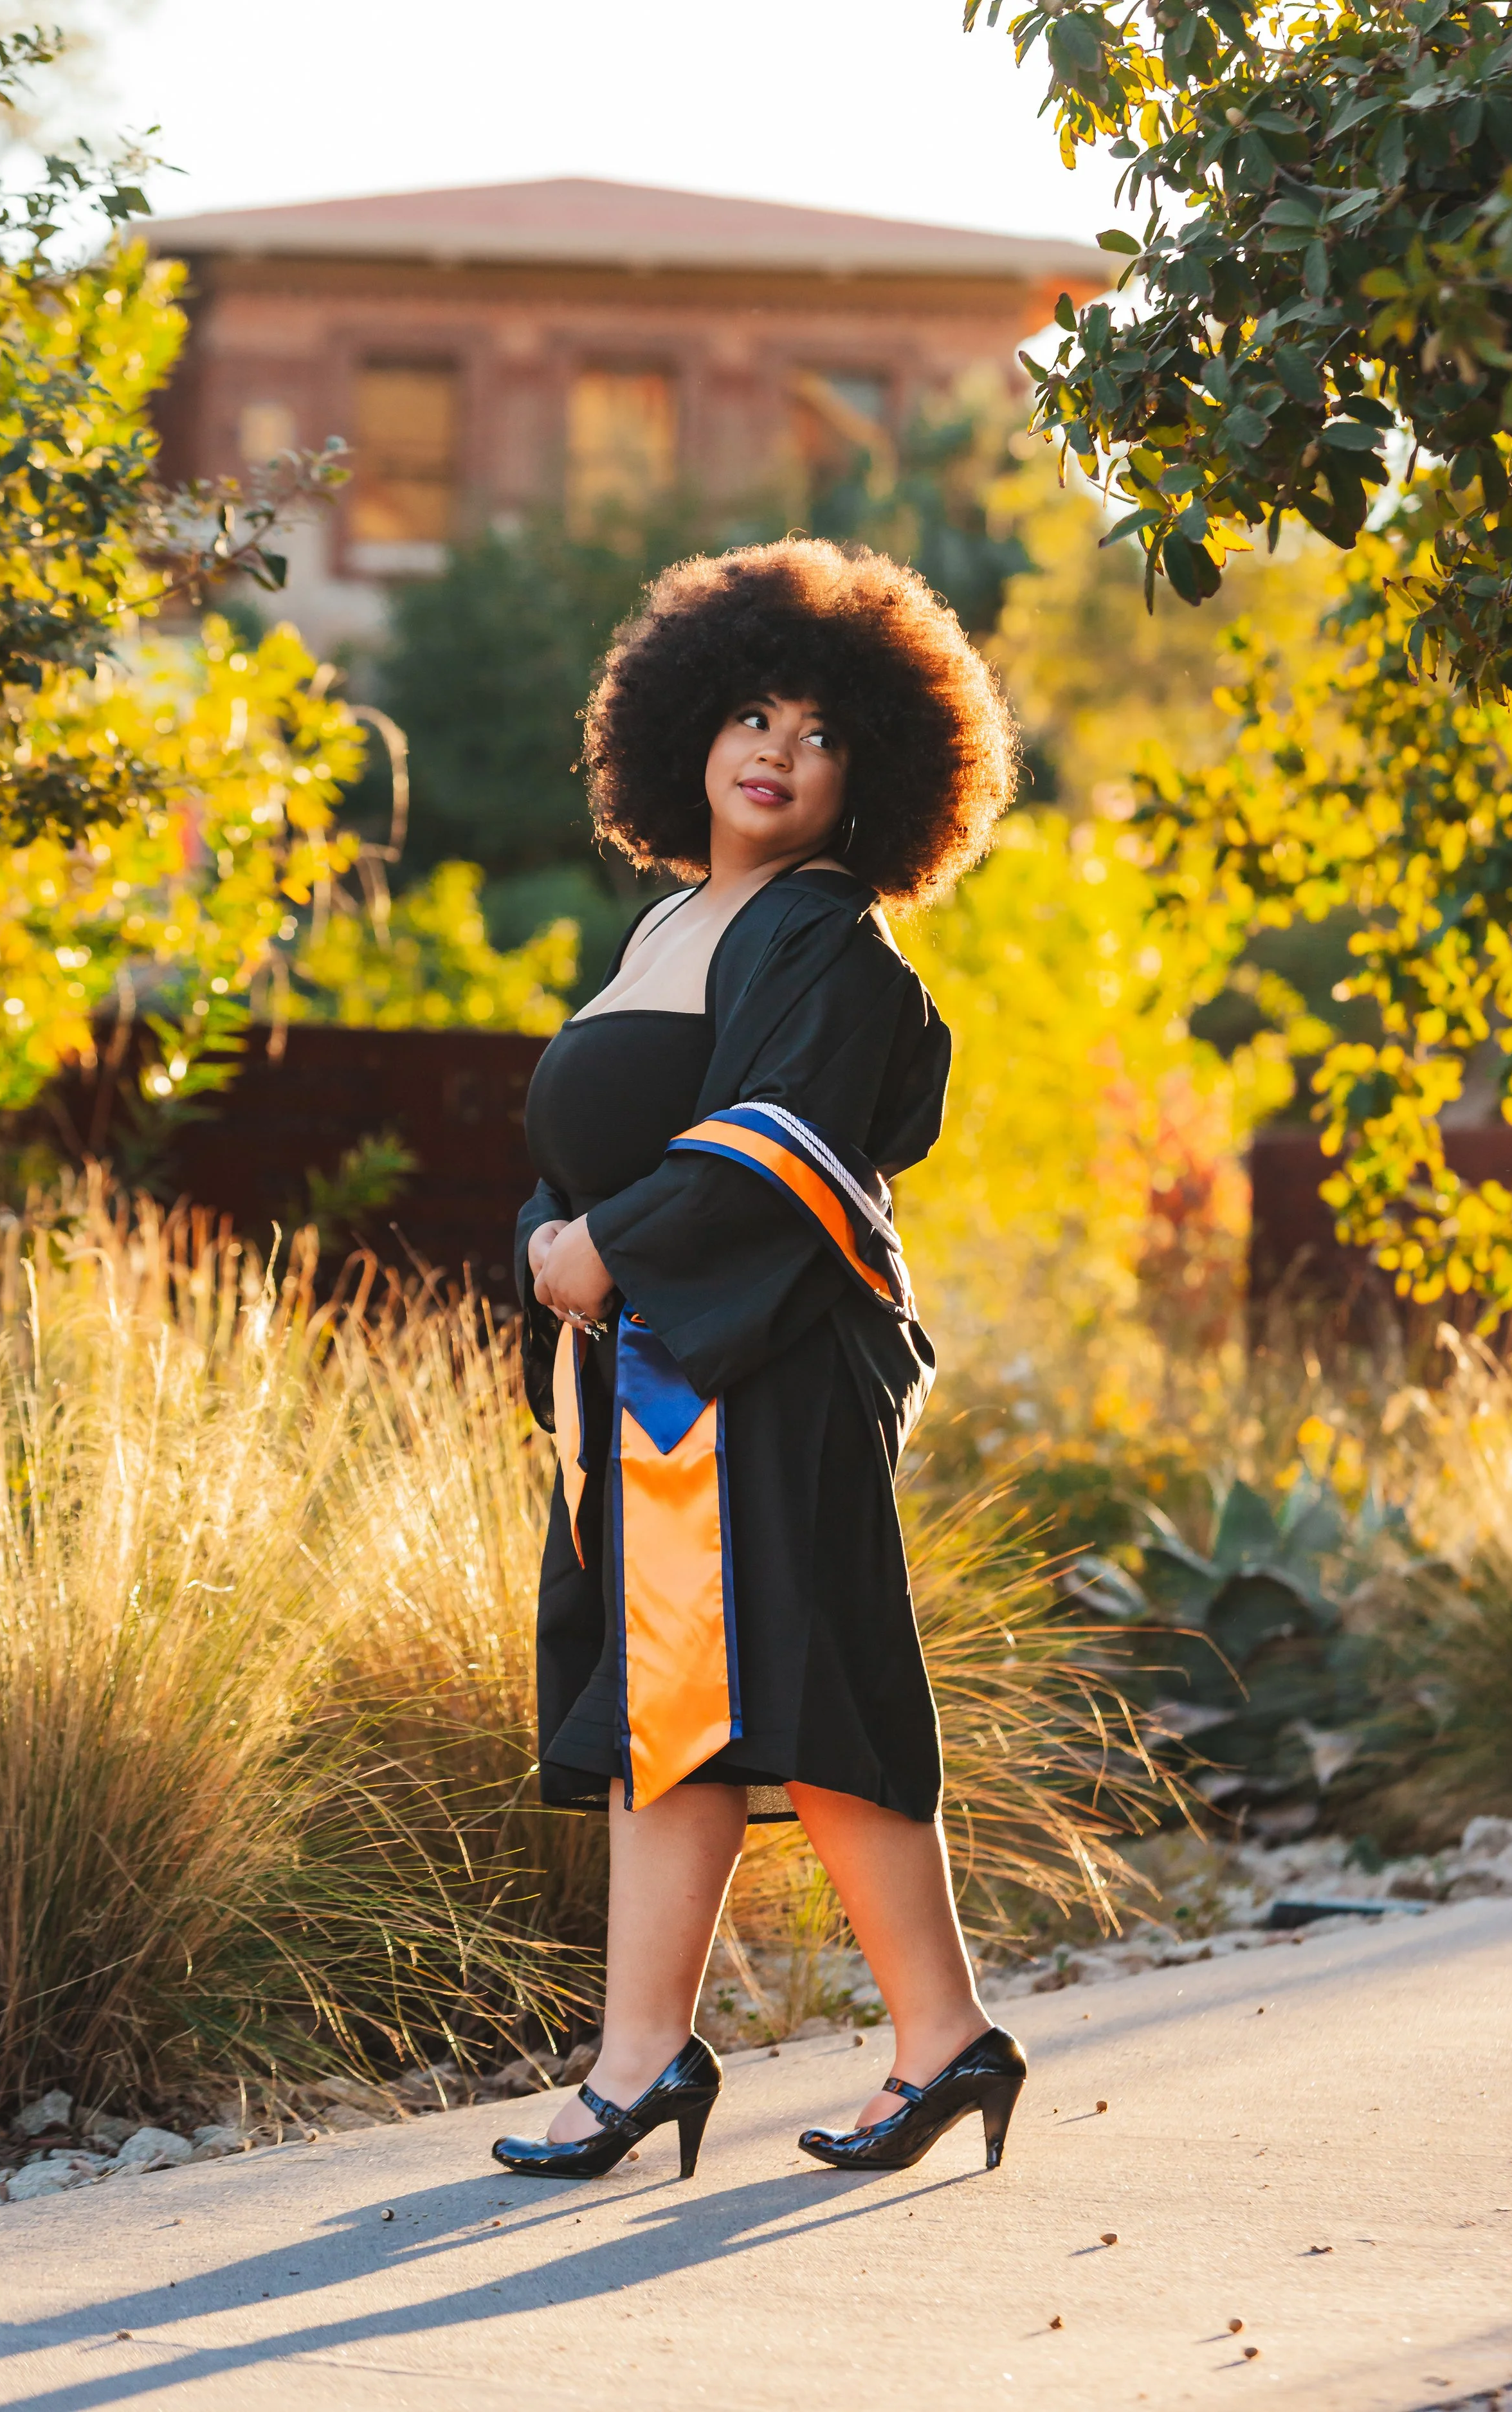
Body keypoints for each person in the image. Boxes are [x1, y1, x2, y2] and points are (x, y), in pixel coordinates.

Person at [493, 537, 1025, 2183]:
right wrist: (547, 1236)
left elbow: (779, 1147)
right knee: (672, 1707)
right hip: (654, 1373)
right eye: (747, 713)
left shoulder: (826, 938)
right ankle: (642, 2058)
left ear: (873, 772)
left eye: (818, 728)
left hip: (759, 1376)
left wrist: (609, 1248)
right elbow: (594, 1135)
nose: (774, 749)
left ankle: (942, 2040)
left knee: (804, 1697)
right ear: (686, 739)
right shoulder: (669, 924)